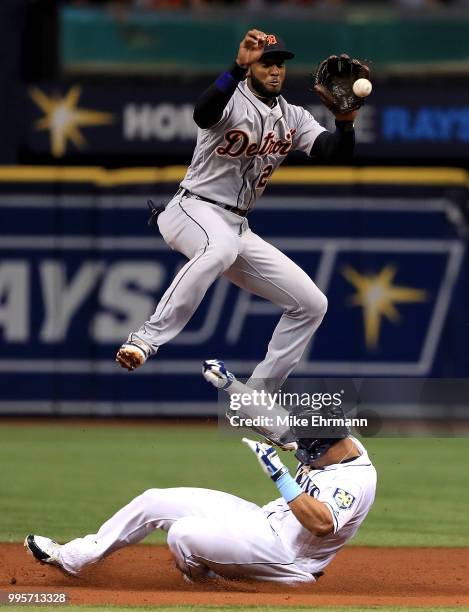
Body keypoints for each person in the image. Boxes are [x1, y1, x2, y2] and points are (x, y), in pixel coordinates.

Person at [115, 30, 361, 389]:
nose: (275, 70)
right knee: (220, 248)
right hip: (192, 208)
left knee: (311, 303)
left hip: (237, 226)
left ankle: (257, 397)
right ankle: (145, 339)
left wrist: (346, 120)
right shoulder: (231, 98)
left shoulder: (293, 116)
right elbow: (203, 112)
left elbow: (335, 152)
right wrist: (235, 68)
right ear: (251, 68)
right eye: (266, 63)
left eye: (280, 64)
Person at [25, 363, 376, 584]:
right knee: (155, 500)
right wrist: (231, 386)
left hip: (287, 556)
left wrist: (279, 476)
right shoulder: (327, 439)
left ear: (329, 445)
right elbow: (275, 424)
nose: (301, 452)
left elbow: (321, 523)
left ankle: (206, 581)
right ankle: (73, 557)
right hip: (264, 523)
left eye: (307, 450)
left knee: (183, 533)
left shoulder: (354, 481)